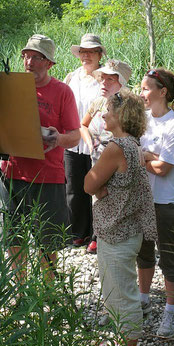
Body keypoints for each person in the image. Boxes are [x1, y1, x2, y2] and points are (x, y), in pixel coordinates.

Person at [0, 34, 80, 279]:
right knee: (13, 237)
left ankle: (47, 292)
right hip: (12, 173)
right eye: (26, 56)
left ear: (49, 63)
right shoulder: (11, 86)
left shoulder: (62, 92)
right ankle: (20, 288)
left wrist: (58, 138)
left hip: (49, 176)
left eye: (37, 57)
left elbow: (75, 135)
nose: (29, 62)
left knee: (49, 240)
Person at [84, 89, 157, 346]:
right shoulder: (134, 145)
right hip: (126, 231)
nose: (103, 114)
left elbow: (87, 184)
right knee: (116, 289)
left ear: (121, 115)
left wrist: (99, 188)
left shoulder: (116, 148)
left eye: (108, 110)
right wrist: (104, 188)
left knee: (122, 294)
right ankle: (120, 339)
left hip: (118, 234)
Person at [137, 68, 174, 338]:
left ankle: (171, 312)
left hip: (167, 203)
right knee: (143, 251)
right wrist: (151, 157)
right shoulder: (143, 120)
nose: (142, 93)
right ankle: (144, 299)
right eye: (141, 88)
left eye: (146, 88)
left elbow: (164, 169)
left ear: (163, 92)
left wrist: (144, 155)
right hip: (143, 199)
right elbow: (147, 159)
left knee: (169, 255)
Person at [80, 59, 132, 254]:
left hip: (119, 160)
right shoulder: (99, 102)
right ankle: (98, 236)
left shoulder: (129, 105)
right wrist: (90, 143)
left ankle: (117, 239)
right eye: (103, 79)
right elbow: (83, 124)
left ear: (121, 83)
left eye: (111, 80)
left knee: (117, 197)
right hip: (98, 157)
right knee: (97, 196)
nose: (104, 83)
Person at [64, 33, 107, 251]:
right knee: (73, 188)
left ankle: (97, 235)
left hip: (97, 143)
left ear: (100, 54)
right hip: (73, 140)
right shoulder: (71, 78)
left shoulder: (106, 79)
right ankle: (77, 233)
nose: (86, 56)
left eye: (91, 52)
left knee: (97, 188)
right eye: (83, 52)